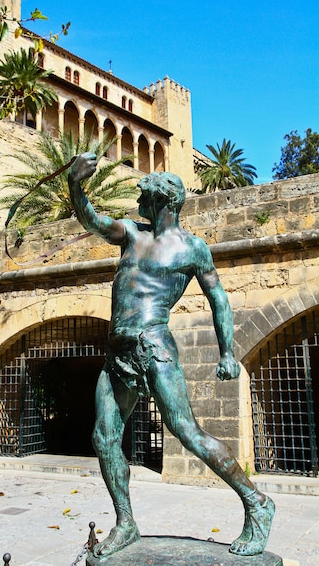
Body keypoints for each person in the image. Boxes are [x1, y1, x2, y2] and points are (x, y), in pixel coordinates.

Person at [68, 153, 275, 559]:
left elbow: (218, 299)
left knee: (186, 431)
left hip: (154, 348)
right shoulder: (130, 233)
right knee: (103, 437)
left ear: (162, 204)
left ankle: (257, 502)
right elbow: (92, 220)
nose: (138, 206)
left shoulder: (193, 248)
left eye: (143, 199)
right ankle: (126, 522)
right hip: (117, 355)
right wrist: (76, 186)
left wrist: (227, 352)